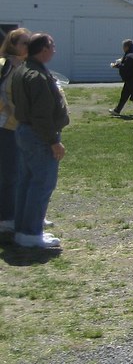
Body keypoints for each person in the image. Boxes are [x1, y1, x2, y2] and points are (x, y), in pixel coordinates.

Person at [10, 32, 69, 249]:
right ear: (43, 49)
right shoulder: (37, 76)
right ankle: (31, 232)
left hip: (24, 131)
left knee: (26, 181)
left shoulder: (22, 70)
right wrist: (54, 141)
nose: (54, 50)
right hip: (39, 136)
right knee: (42, 183)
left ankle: (23, 230)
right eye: (52, 46)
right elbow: (41, 115)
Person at [0, 28, 30, 234]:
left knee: (24, 171)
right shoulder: (4, 65)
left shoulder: (27, 66)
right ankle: (6, 218)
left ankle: (24, 213)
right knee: (9, 173)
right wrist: (9, 109)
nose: (28, 47)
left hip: (23, 126)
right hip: (6, 125)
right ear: (12, 45)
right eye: (24, 43)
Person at [109, 39, 133, 118]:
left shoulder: (130, 56)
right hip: (130, 79)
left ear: (127, 47)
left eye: (123, 46)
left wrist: (116, 65)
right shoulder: (131, 54)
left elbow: (126, 67)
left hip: (131, 79)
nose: (123, 48)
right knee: (124, 95)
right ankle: (117, 111)